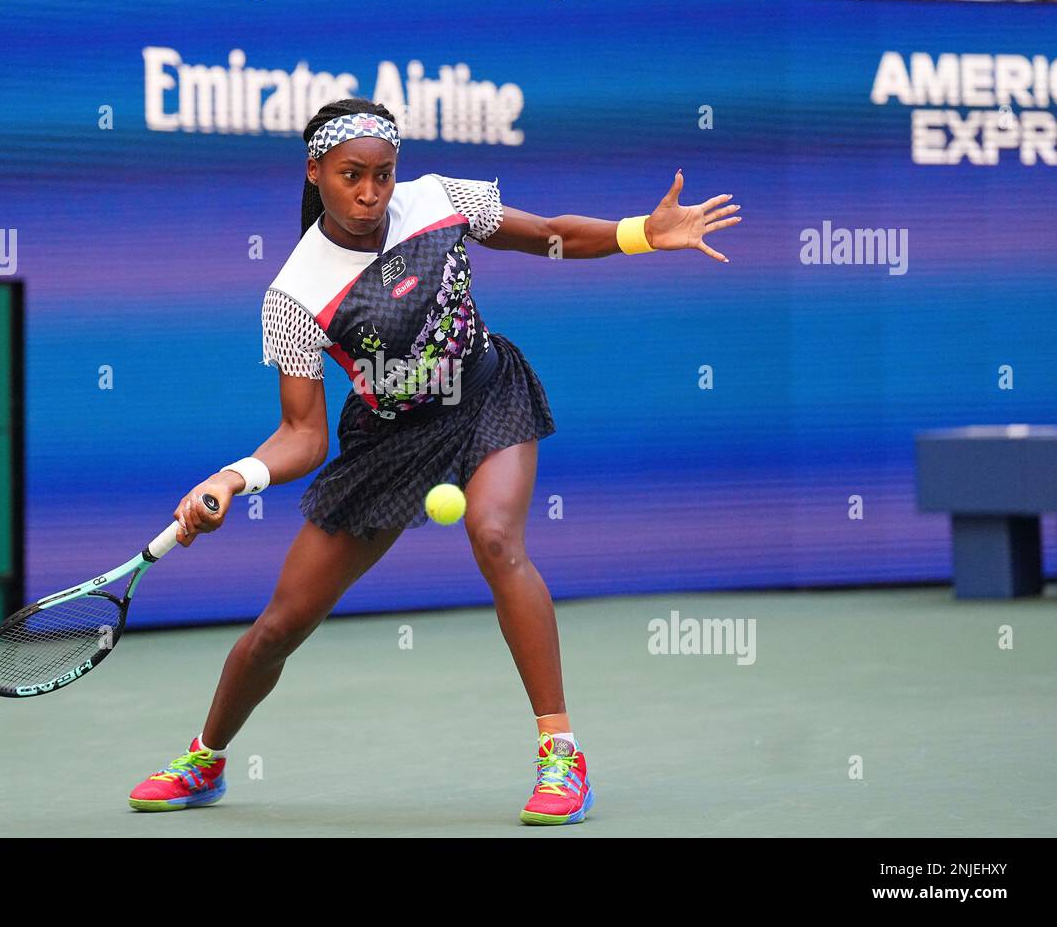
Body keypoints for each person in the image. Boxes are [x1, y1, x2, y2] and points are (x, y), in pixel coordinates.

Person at [127, 98, 741, 826]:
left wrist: (641, 232)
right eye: (351, 175)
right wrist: (234, 477)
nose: (369, 193)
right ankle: (205, 757)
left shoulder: (440, 200)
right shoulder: (294, 292)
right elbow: (302, 434)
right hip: (387, 441)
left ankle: (560, 753)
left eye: (383, 175)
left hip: (485, 395)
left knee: (494, 536)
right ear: (315, 170)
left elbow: (546, 236)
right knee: (279, 626)